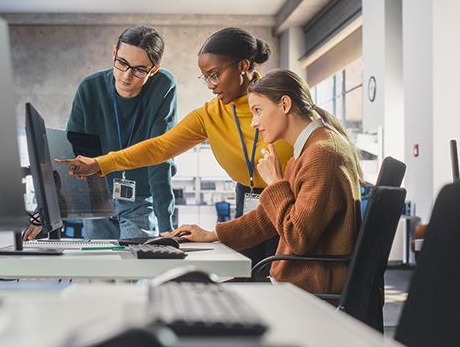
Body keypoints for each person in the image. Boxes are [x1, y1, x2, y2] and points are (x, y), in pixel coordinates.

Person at [58, 27, 293, 266]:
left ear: (243, 66)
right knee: (251, 273)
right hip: (249, 196)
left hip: (290, 194)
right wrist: (99, 164)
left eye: (214, 74)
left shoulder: (282, 103)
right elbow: (160, 147)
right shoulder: (209, 114)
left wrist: (167, 225)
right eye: (206, 77)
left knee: (284, 272)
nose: (210, 85)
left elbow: (320, 142)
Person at [169, 69, 363, 294]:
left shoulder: (321, 155)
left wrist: (275, 183)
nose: (254, 123)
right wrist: (213, 234)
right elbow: (269, 219)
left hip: (306, 287)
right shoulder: (312, 149)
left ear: (284, 104)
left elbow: (298, 237)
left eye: (258, 111)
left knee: (199, 295)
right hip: (298, 282)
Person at [29, 26, 177, 240]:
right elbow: (70, 154)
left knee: (134, 269)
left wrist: (166, 227)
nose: (126, 76)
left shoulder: (163, 86)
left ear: (153, 70)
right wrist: (41, 212)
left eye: (139, 70)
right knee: (100, 270)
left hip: (140, 198)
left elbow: (161, 155)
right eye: (122, 63)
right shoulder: (90, 88)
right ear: (114, 53)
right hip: (97, 198)